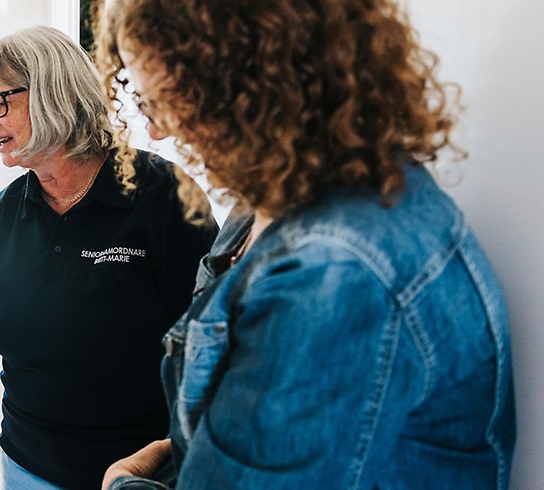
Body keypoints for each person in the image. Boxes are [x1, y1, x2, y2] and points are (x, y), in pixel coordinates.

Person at [92, 0, 517, 488]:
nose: (156, 129)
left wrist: (123, 482)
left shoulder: (334, 271)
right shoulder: (275, 200)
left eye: (163, 102)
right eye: (144, 105)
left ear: (246, 79)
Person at [0, 26, 217, 489]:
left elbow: (211, 345)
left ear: (54, 91)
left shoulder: (162, 195)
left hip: (138, 472)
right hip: (26, 465)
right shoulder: (6, 211)